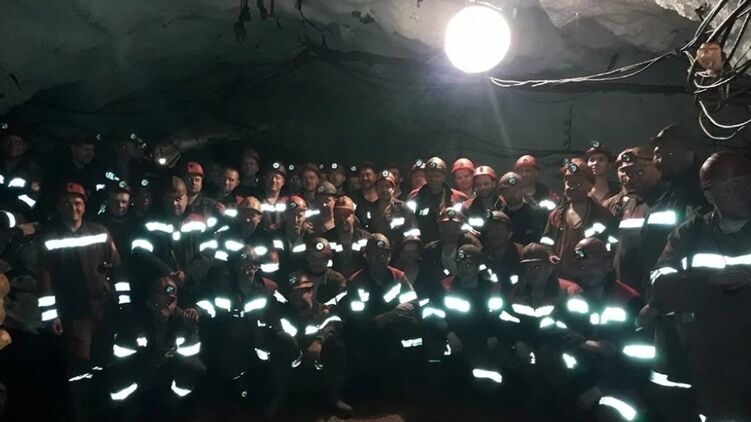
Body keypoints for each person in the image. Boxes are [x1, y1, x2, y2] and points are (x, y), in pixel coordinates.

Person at [642, 152, 751, 421]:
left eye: (746, 185)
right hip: (709, 363)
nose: (742, 194)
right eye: (731, 188)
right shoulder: (689, 234)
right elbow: (660, 286)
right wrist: (710, 280)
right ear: (710, 196)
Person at [38, 182, 124, 421]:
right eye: (67, 203)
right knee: (79, 367)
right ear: (59, 207)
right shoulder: (50, 238)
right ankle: (81, 412)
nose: (73, 207)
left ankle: (103, 406)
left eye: (77, 203)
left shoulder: (99, 231)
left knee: (103, 360)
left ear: (85, 206)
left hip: (104, 310)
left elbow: (117, 267)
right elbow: (45, 280)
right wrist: (51, 315)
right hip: (75, 314)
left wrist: (123, 301)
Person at [107, 276, 205, 413]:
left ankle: (173, 403)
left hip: (168, 367)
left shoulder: (184, 321)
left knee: (194, 368)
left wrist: (170, 358)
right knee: (119, 380)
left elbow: (191, 353)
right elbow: (120, 355)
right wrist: (148, 360)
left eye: (170, 301)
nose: (165, 305)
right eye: (159, 301)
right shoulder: (135, 322)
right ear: (149, 302)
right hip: (142, 368)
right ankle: (122, 409)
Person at [343, 234, 419, 378]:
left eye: (383, 255)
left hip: (394, 333)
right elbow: (355, 316)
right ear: (366, 256)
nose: (378, 259)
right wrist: (379, 319)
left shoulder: (398, 277)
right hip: (366, 336)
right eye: (373, 255)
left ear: (389, 256)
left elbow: (413, 304)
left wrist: (389, 316)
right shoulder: (356, 281)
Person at [129, 177, 210, 306]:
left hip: (192, 288)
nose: (174, 203)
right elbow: (141, 251)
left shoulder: (199, 221)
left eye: (178, 198)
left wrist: (188, 274)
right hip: (159, 288)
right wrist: (168, 273)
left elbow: (208, 252)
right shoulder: (150, 222)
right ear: (163, 200)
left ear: (186, 198)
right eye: (169, 199)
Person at [541, 159, 616, 280]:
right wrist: (549, 254)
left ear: (590, 187)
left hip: (590, 279)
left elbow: (612, 244)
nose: (573, 188)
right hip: (561, 279)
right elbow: (546, 240)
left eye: (579, 184)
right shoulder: (556, 215)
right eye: (569, 184)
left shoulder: (602, 215)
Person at [609, 147, 665, 293]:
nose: (631, 178)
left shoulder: (669, 201)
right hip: (626, 286)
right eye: (626, 173)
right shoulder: (625, 204)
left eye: (639, 172)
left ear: (657, 169)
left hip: (658, 285)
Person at [418, 208, 481, 301]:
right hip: (439, 295)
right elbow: (425, 276)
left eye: (455, 228)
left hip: (468, 294)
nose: (450, 232)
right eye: (446, 228)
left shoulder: (471, 247)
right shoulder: (431, 249)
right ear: (440, 228)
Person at [408, 157, 469, 243]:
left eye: (437, 176)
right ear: (426, 177)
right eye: (430, 176)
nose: (433, 179)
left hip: (451, 244)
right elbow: (409, 222)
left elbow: (465, 223)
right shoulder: (415, 197)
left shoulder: (459, 198)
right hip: (423, 244)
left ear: (444, 177)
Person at [324, 196, 370, 279]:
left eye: (346, 215)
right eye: (338, 215)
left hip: (361, 282)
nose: (342, 219)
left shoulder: (367, 238)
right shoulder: (326, 240)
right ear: (334, 216)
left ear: (353, 217)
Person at [91, 182, 139, 262]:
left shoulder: (137, 224)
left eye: (124, 202)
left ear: (130, 203)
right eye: (115, 202)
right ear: (108, 202)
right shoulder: (97, 224)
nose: (120, 205)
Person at [498, 172, 547, 246]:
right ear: (501, 194)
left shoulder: (536, 214)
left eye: (515, 190)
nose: (511, 194)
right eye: (507, 191)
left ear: (523, 191)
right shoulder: (499, 217)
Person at [369, 170, 417, 246]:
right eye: (381, 186)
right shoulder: (369, 209)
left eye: (387, 186)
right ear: (376, 188)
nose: (384, 190)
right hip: (376, 249)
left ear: (393, 188)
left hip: (398, 249)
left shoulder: (403, 209)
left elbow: (411, 233)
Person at [269, 195, 312, 278]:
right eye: (291, 215)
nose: (295, 220)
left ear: (305, 216)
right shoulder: (274, 236)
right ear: (285, 215)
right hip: (280, 279)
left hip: (304, 279)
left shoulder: (310, 237)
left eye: (299, 216)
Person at [481, 211, 523, 294]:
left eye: (500, 230)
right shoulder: (483, 255)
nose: (495, 234)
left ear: (510, 233)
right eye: (491, 230)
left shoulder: (521, 254)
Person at [462, 165, 501, 231]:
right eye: (478, 185)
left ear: (494, 183)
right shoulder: (467, 207)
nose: (482, 188)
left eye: (486, 184)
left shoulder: (504, 205)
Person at [260, 162, 289, 232]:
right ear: (265, 179)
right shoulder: (257, 200)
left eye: (277, 177)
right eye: (270, 177)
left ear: (283, 182)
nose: (273, 180)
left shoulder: (289, 201)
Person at [351, 162, 379, 232]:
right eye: (361, 175)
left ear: (375, 176)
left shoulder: (383, 196)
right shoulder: (352, 198)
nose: (365, 178)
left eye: (368, 175)